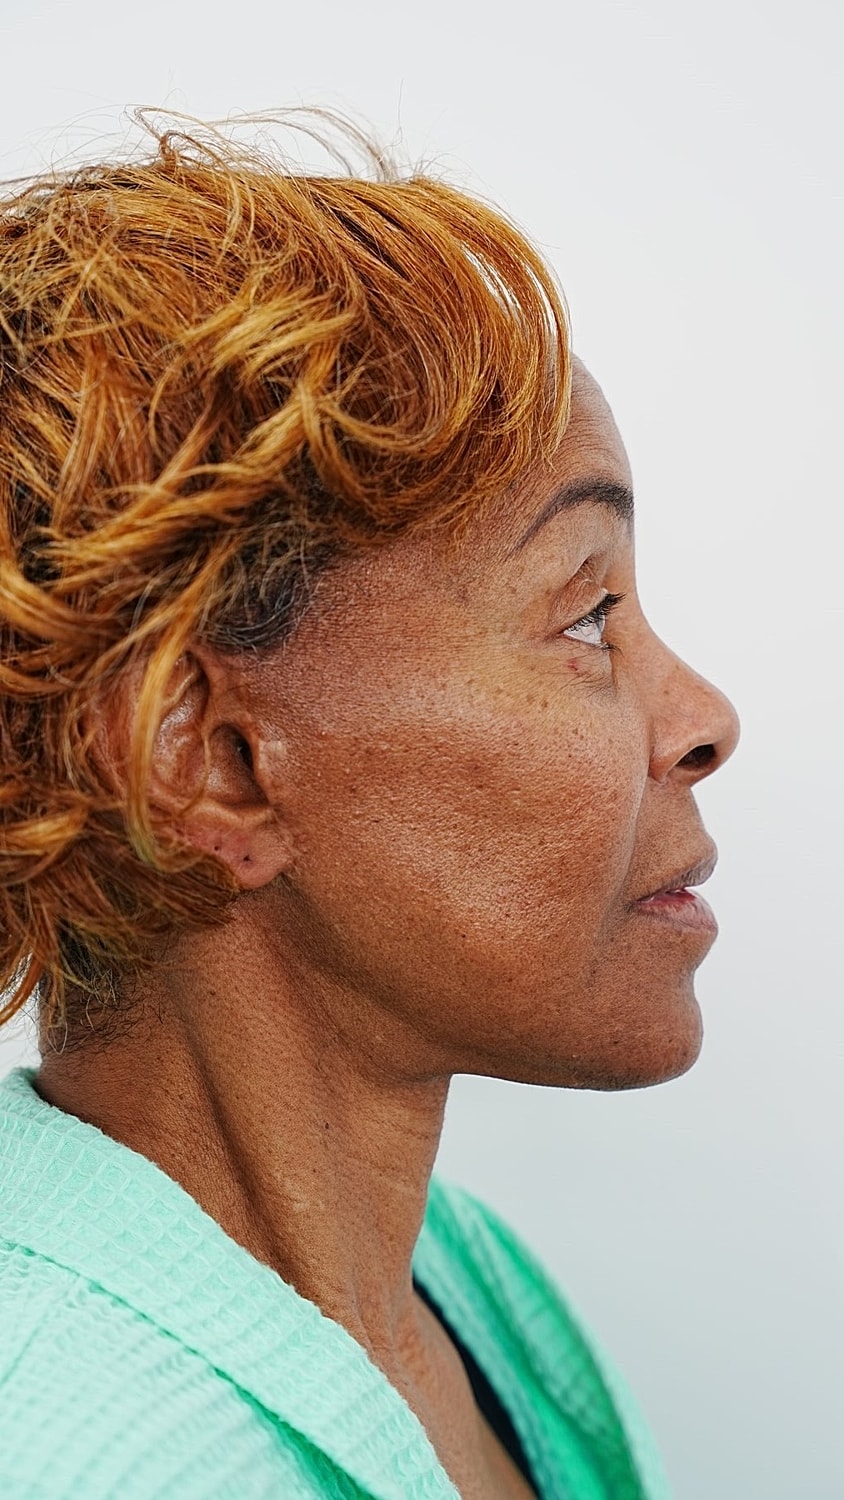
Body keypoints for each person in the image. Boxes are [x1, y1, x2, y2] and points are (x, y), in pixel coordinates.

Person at [0, 114, 739, 1500]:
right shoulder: (83, 1461)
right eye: (586, 616)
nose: (706, 718)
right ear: (213, 762)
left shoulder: (473, 1289)